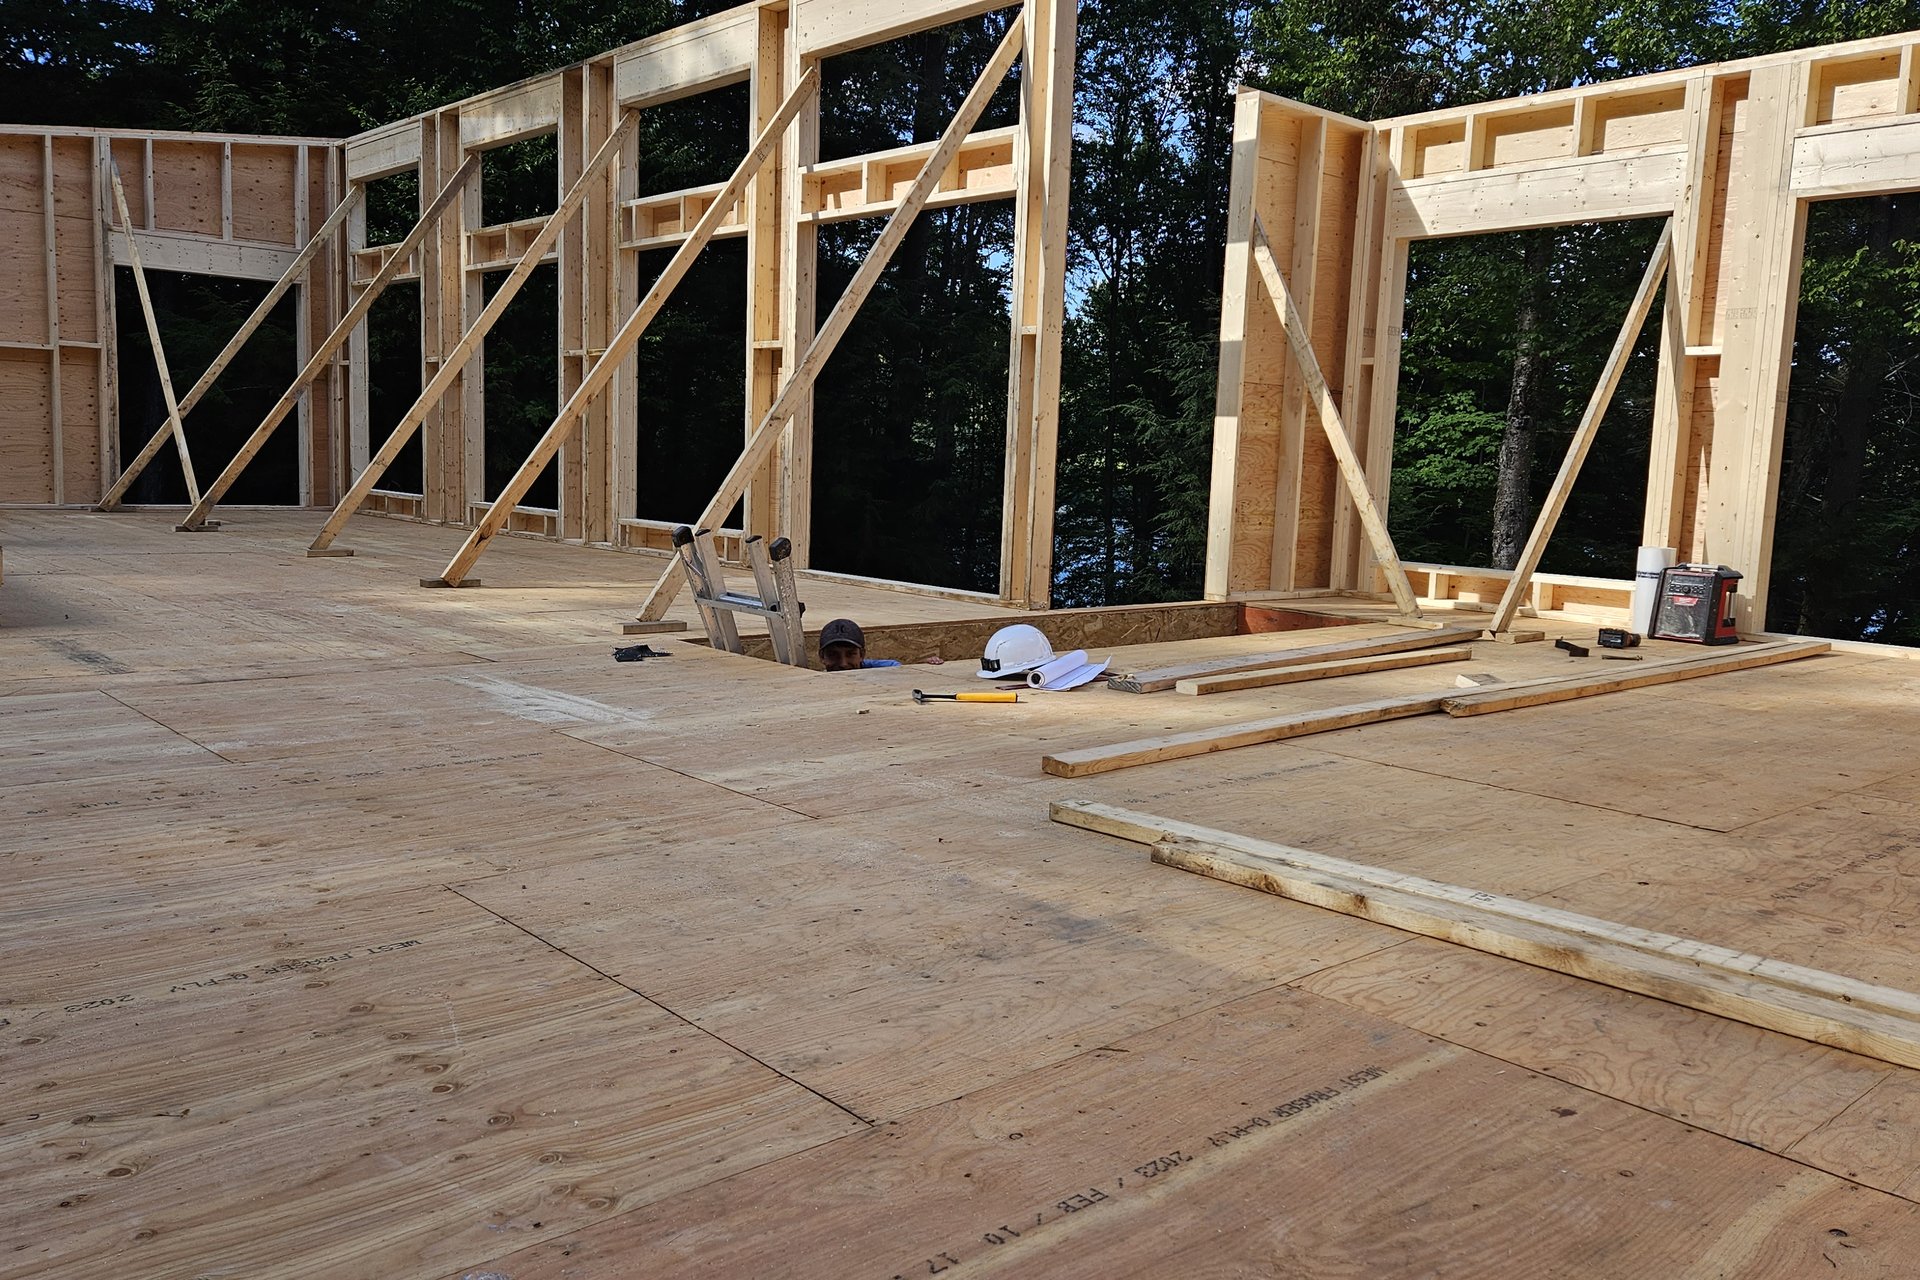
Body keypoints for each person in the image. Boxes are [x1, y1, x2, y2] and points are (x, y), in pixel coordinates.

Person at [818, 618, 900, 671]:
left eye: (850, 654)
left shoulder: (888, 668)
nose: (843, 664)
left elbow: (896, 668)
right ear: (822, 656)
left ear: (862, 655)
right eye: (833, 655)